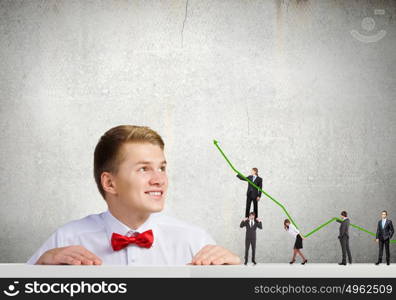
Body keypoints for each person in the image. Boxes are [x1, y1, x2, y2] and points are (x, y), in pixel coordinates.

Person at [27, 125, 241, 266]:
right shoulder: (66, 239)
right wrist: (37, 275)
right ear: (110, 183)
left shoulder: (194, 241)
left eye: (162, 168)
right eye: (144, 169)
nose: (160, 180)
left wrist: (238, 279)